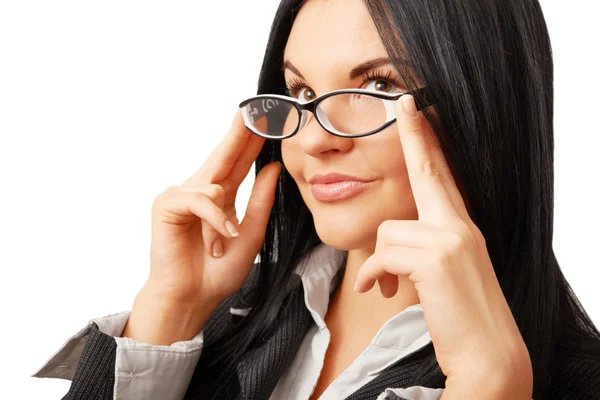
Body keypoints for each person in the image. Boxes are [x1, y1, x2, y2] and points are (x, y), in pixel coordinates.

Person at [31, 0, 600, 399]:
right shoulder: (218, 323)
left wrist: (489, 386)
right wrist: (169, 310)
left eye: (379, 85)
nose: (313, 137)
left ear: (483, 101)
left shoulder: (568, 380)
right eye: (301, 91)